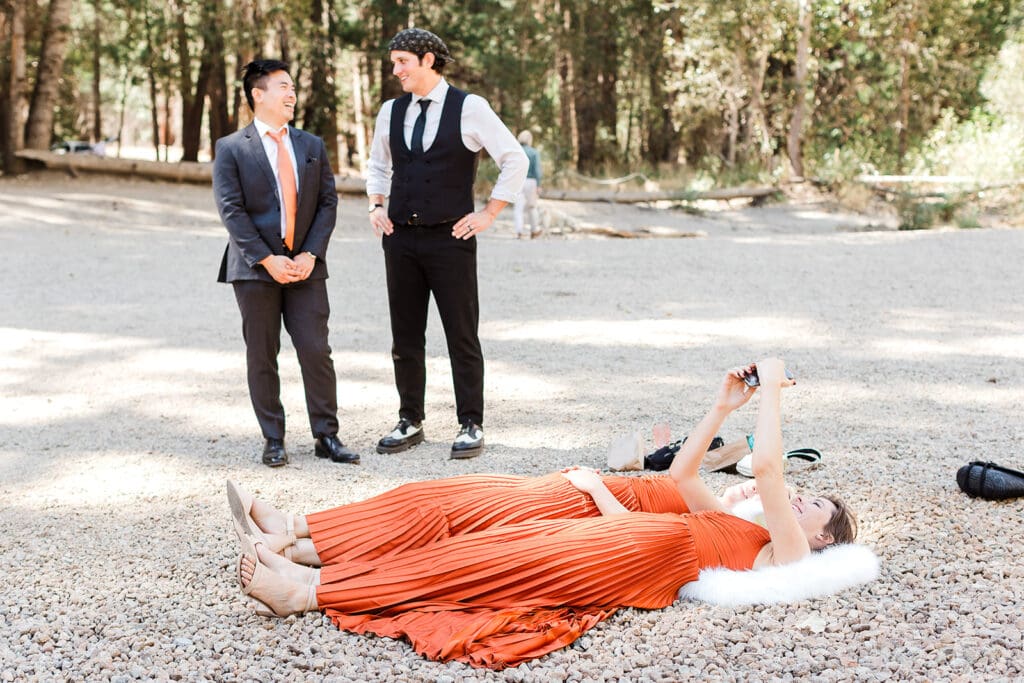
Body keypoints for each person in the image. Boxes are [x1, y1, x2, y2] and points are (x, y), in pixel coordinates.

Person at [231, 359, 857, 668]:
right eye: (812, 493)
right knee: (479, 551)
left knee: (485, 565)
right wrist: (724, 408)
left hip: (640, 552)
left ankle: (310, 590)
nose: (805, 499)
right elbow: (682, 476)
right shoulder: (737, 521)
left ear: (822, 538)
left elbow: (771, 468)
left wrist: (772, 388)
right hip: (638, 535)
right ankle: (313, 557)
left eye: (818, 506)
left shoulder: (789, 556)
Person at [366, 28, 528, 459]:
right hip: (399, 237)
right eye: (394, 61)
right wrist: (375, 205)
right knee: (405, 334)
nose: (396, 70)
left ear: (428, 61)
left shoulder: (469, 107)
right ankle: (410, 419)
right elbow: (378, 165)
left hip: (450, 238)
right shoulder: (390, 111)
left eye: (402, 61)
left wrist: (489, 213)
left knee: (461, 332)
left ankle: (470, 423)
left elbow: (515, 158)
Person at [213, 59, 359, 468]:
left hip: (305, 267)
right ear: (257, 94)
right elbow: (231, 210)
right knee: (262, 353)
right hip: (255, 269)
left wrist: (310, 253)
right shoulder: (231, 148)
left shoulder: (310, 145)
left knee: (316, 350)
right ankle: (273, 438)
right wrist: (265, 258)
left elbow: (328, 201)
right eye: (282, 86)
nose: (291, 93)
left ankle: (326, 435)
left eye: (293, 86)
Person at [513, 130, 542, 239]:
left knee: (518, 207)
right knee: (532, 207)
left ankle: (519, 231)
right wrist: (538, 184)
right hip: (531, 181)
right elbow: (537, 170)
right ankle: (534, 230)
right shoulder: (534, 152)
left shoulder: (516, 151)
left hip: (518, 180)